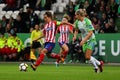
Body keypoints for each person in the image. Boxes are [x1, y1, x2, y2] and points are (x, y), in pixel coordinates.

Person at [73, 9, 104, 73]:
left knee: (87, 56)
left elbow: (90, 33)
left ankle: (96, 67)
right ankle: (99, 64)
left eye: (76, 15)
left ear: (79, 15)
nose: (75, 16)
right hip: (84, 40)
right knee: (87, 58)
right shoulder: (77, 22)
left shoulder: (87, 21)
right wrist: (75, 36)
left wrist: (83, 40)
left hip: (91, 39)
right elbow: (76, 30)